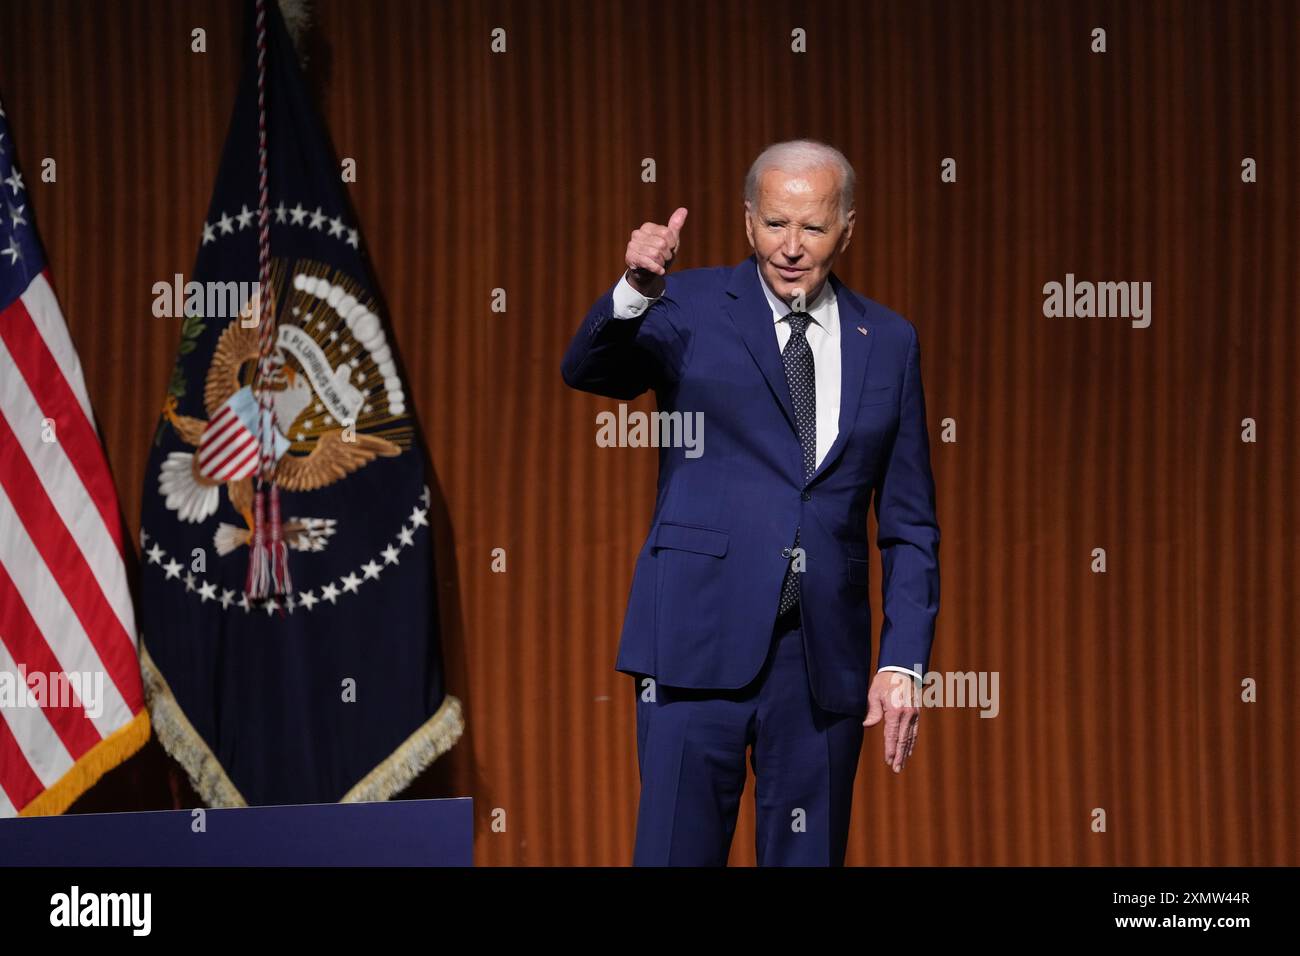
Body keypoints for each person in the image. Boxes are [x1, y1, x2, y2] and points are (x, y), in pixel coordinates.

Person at [561, 139, 940, 866]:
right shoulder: (689, 305)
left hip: (821, 661)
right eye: (774, 224)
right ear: (746, 222)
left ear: (848, 229)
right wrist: (635, 288)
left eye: (812, 228)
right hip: (694, 643)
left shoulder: (888, 340)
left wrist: (904, 662)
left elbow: (911, 523)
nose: (790, 247)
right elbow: (590, 370)